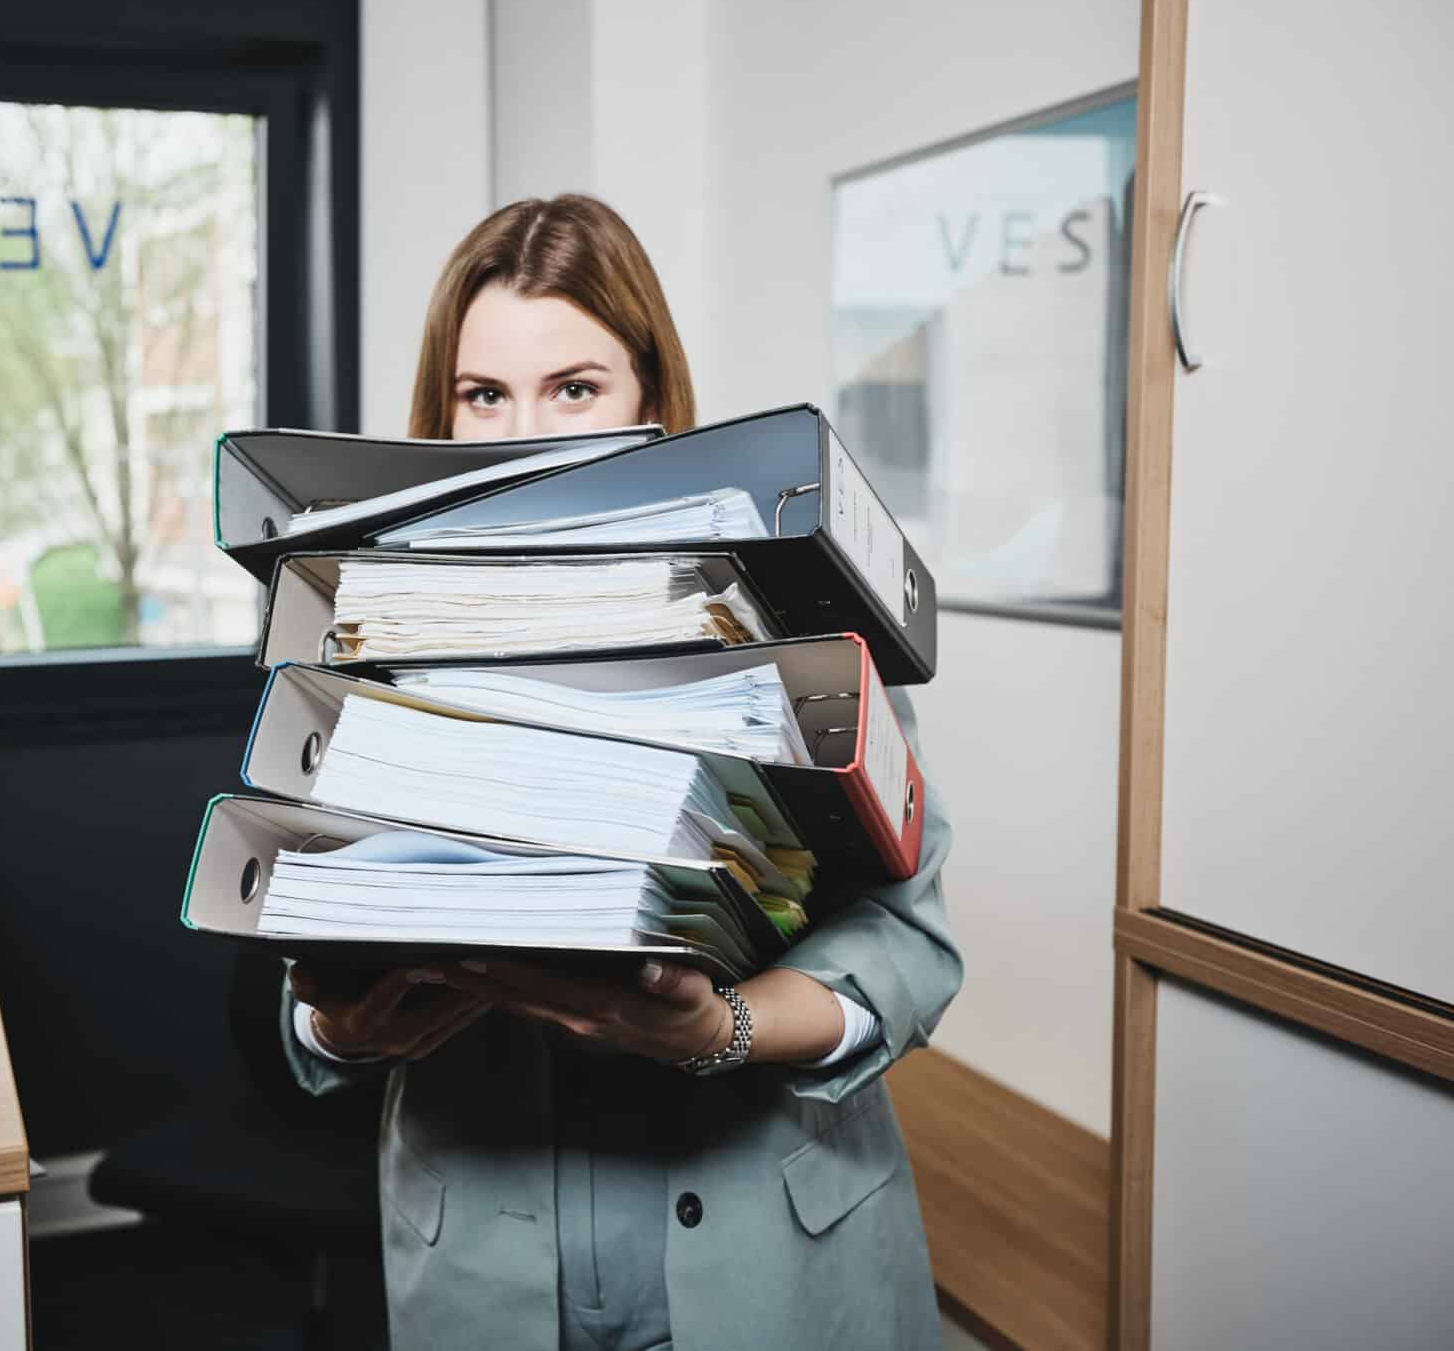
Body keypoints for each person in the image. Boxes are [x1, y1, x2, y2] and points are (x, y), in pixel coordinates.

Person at [282, 194, 961, 1351]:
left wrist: (725, 1028)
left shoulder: (789, 621)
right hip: (483, 1260)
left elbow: (911, 943)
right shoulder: (366, 636)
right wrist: (350, 1027)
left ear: (651, 400)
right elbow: (297, 968)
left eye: (575, 388)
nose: (525, 437)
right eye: (483, 394)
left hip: (770, 1250)